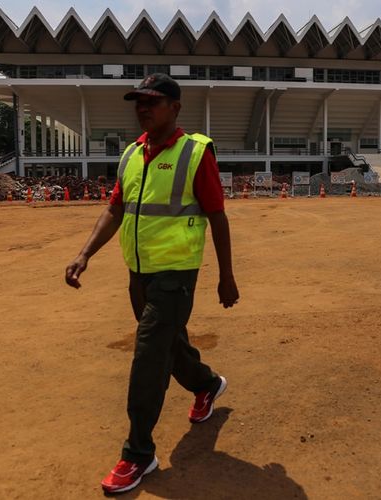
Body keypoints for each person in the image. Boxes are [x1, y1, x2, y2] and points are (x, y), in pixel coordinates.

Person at [64, 73, 239, 494]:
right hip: (138, 275)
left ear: (175, 108)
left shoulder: (195, 153)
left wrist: (227, 277)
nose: (143, 108)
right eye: (138, 102)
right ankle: (207, 384)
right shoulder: (131, 155)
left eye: (153, 101)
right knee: (168, 346)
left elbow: (217, 215)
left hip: (176, 276)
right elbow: (114, 210)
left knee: (148, 357)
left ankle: (137, 453)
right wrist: (85, 253)